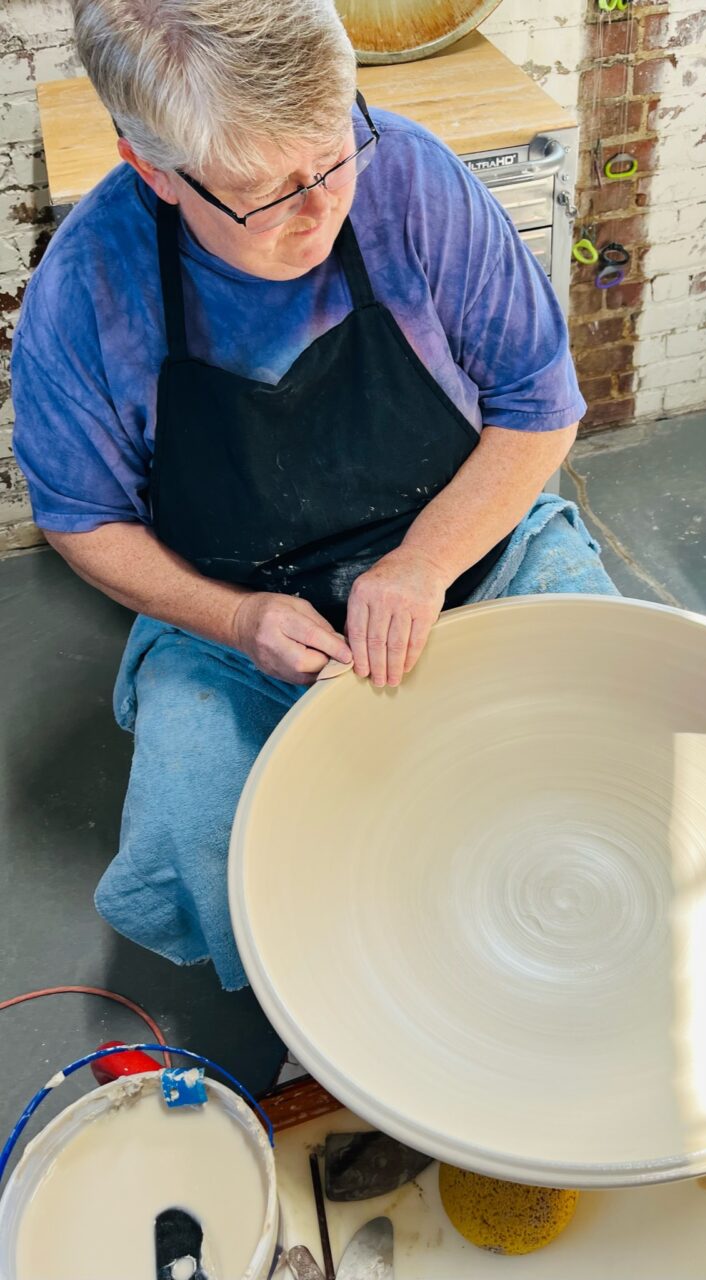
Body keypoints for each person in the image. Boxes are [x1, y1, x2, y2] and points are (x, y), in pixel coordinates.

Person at [12, 0, 619, 990]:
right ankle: (317, 1003)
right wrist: (235, 617)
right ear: (153, 171)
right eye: (265, 194)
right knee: (203, 817)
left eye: (333, 157)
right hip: (238, 606)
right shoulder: (87, 290)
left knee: (608, 716)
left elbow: (540, 406)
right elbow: (85, 521)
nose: (320, 207)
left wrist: (425, 561)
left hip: (472, 546)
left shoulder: (410, 177)